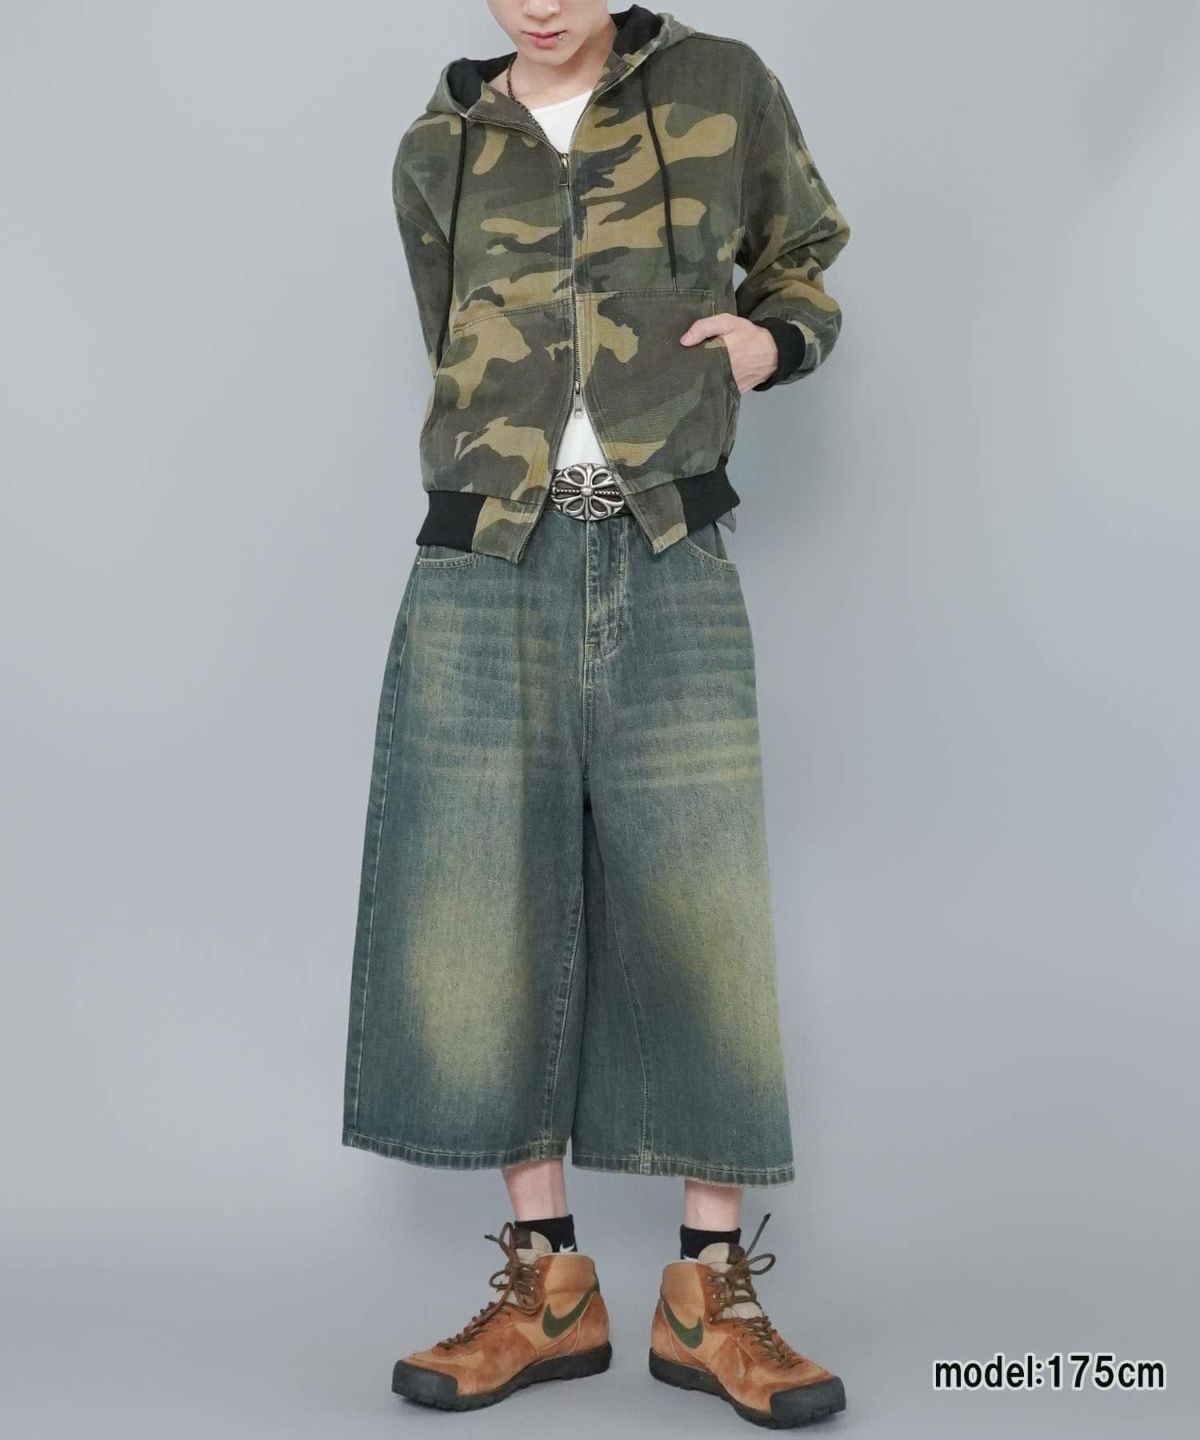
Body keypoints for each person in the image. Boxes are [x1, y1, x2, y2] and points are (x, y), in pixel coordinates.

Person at [341, 1, 851, 1425]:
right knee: (479, 896)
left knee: (701, 902)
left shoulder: (720, 83)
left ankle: (707, 1295)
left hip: (667, 544)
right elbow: (451, 339)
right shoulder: (439, 144)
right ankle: (548, 1285)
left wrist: (766, 346)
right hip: (484, 559)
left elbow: (805, 256)